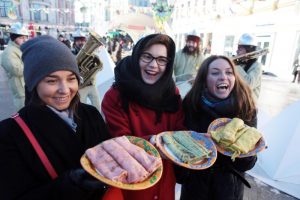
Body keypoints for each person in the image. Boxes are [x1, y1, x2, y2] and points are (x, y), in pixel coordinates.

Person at [0, 35, 111, 200]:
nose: (65, 90)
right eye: (52, 81)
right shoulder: (9, 133)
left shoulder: (91, 114)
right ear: (33, 83)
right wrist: (71, 183)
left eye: (71, 78)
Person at [101, 34, 185, 200]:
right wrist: (159, 142)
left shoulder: (171, 93)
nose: (154, 65)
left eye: (162, 60)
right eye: (147, 56)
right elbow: (121, 142)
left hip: (164, 183)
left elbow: (181, 131)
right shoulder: (115, 96)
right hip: (132, 184)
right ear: (136, 56)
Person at [175, 55, 258, 200]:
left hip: (228, 191)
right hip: (195, 190)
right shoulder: (190, 105)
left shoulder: (245, 107)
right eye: (215, 72)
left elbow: (248, 163)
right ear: (204, 79)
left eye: (229, 72)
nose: (223, 77)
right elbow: (179, 152)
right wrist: (197, 150)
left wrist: (232, 148)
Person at [1, 22, 29, 111]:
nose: (24, 40)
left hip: (27, 86)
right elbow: (16, 70)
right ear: (14, 38)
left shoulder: (21, 48)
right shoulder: (8, 52)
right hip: (20, 90)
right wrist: (33, 64)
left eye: (26, 37)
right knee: (23, 111)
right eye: (21, 38)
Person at [72, 30, 101, 111]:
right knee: (82, 109)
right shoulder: (72, 54)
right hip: (81, 87)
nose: (81, 42)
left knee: (98, 107)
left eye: (82, 40)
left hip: (92, 84)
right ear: (75, 42)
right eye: (78, 40)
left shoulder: (91, 53)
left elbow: (97, 66)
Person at [235, 33, 262, 101]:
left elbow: (248, 84)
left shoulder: (257, 66)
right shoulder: (240, 64)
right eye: (238, 48)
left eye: (240, 49)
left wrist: (236, 65)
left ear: (248, 51)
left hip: (249, 106)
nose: (237, 51)